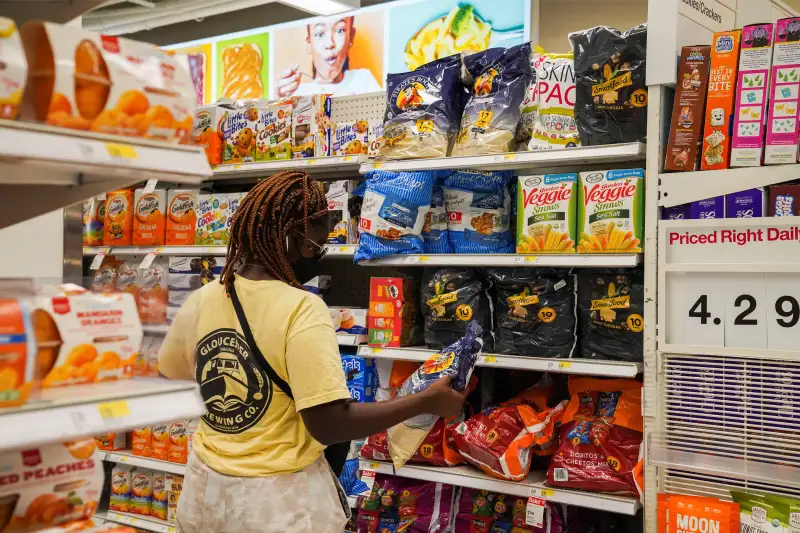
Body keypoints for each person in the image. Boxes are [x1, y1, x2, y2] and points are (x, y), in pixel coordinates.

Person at [158, 170, 469, 533]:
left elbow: (172, 379)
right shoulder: (301, 309)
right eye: (316, 246)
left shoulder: (203, 298)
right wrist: (425, 401)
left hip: (203, 489)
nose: (317, 256)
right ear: (288, 238)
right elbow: (328, 424)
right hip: (273, 502)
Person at [277, 16, 381, 97]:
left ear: (351, 36)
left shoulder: (364, 81)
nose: (329, 43)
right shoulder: (296, 94)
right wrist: (279, 102)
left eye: (339, 30)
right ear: (309, 42)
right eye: (320, 34)